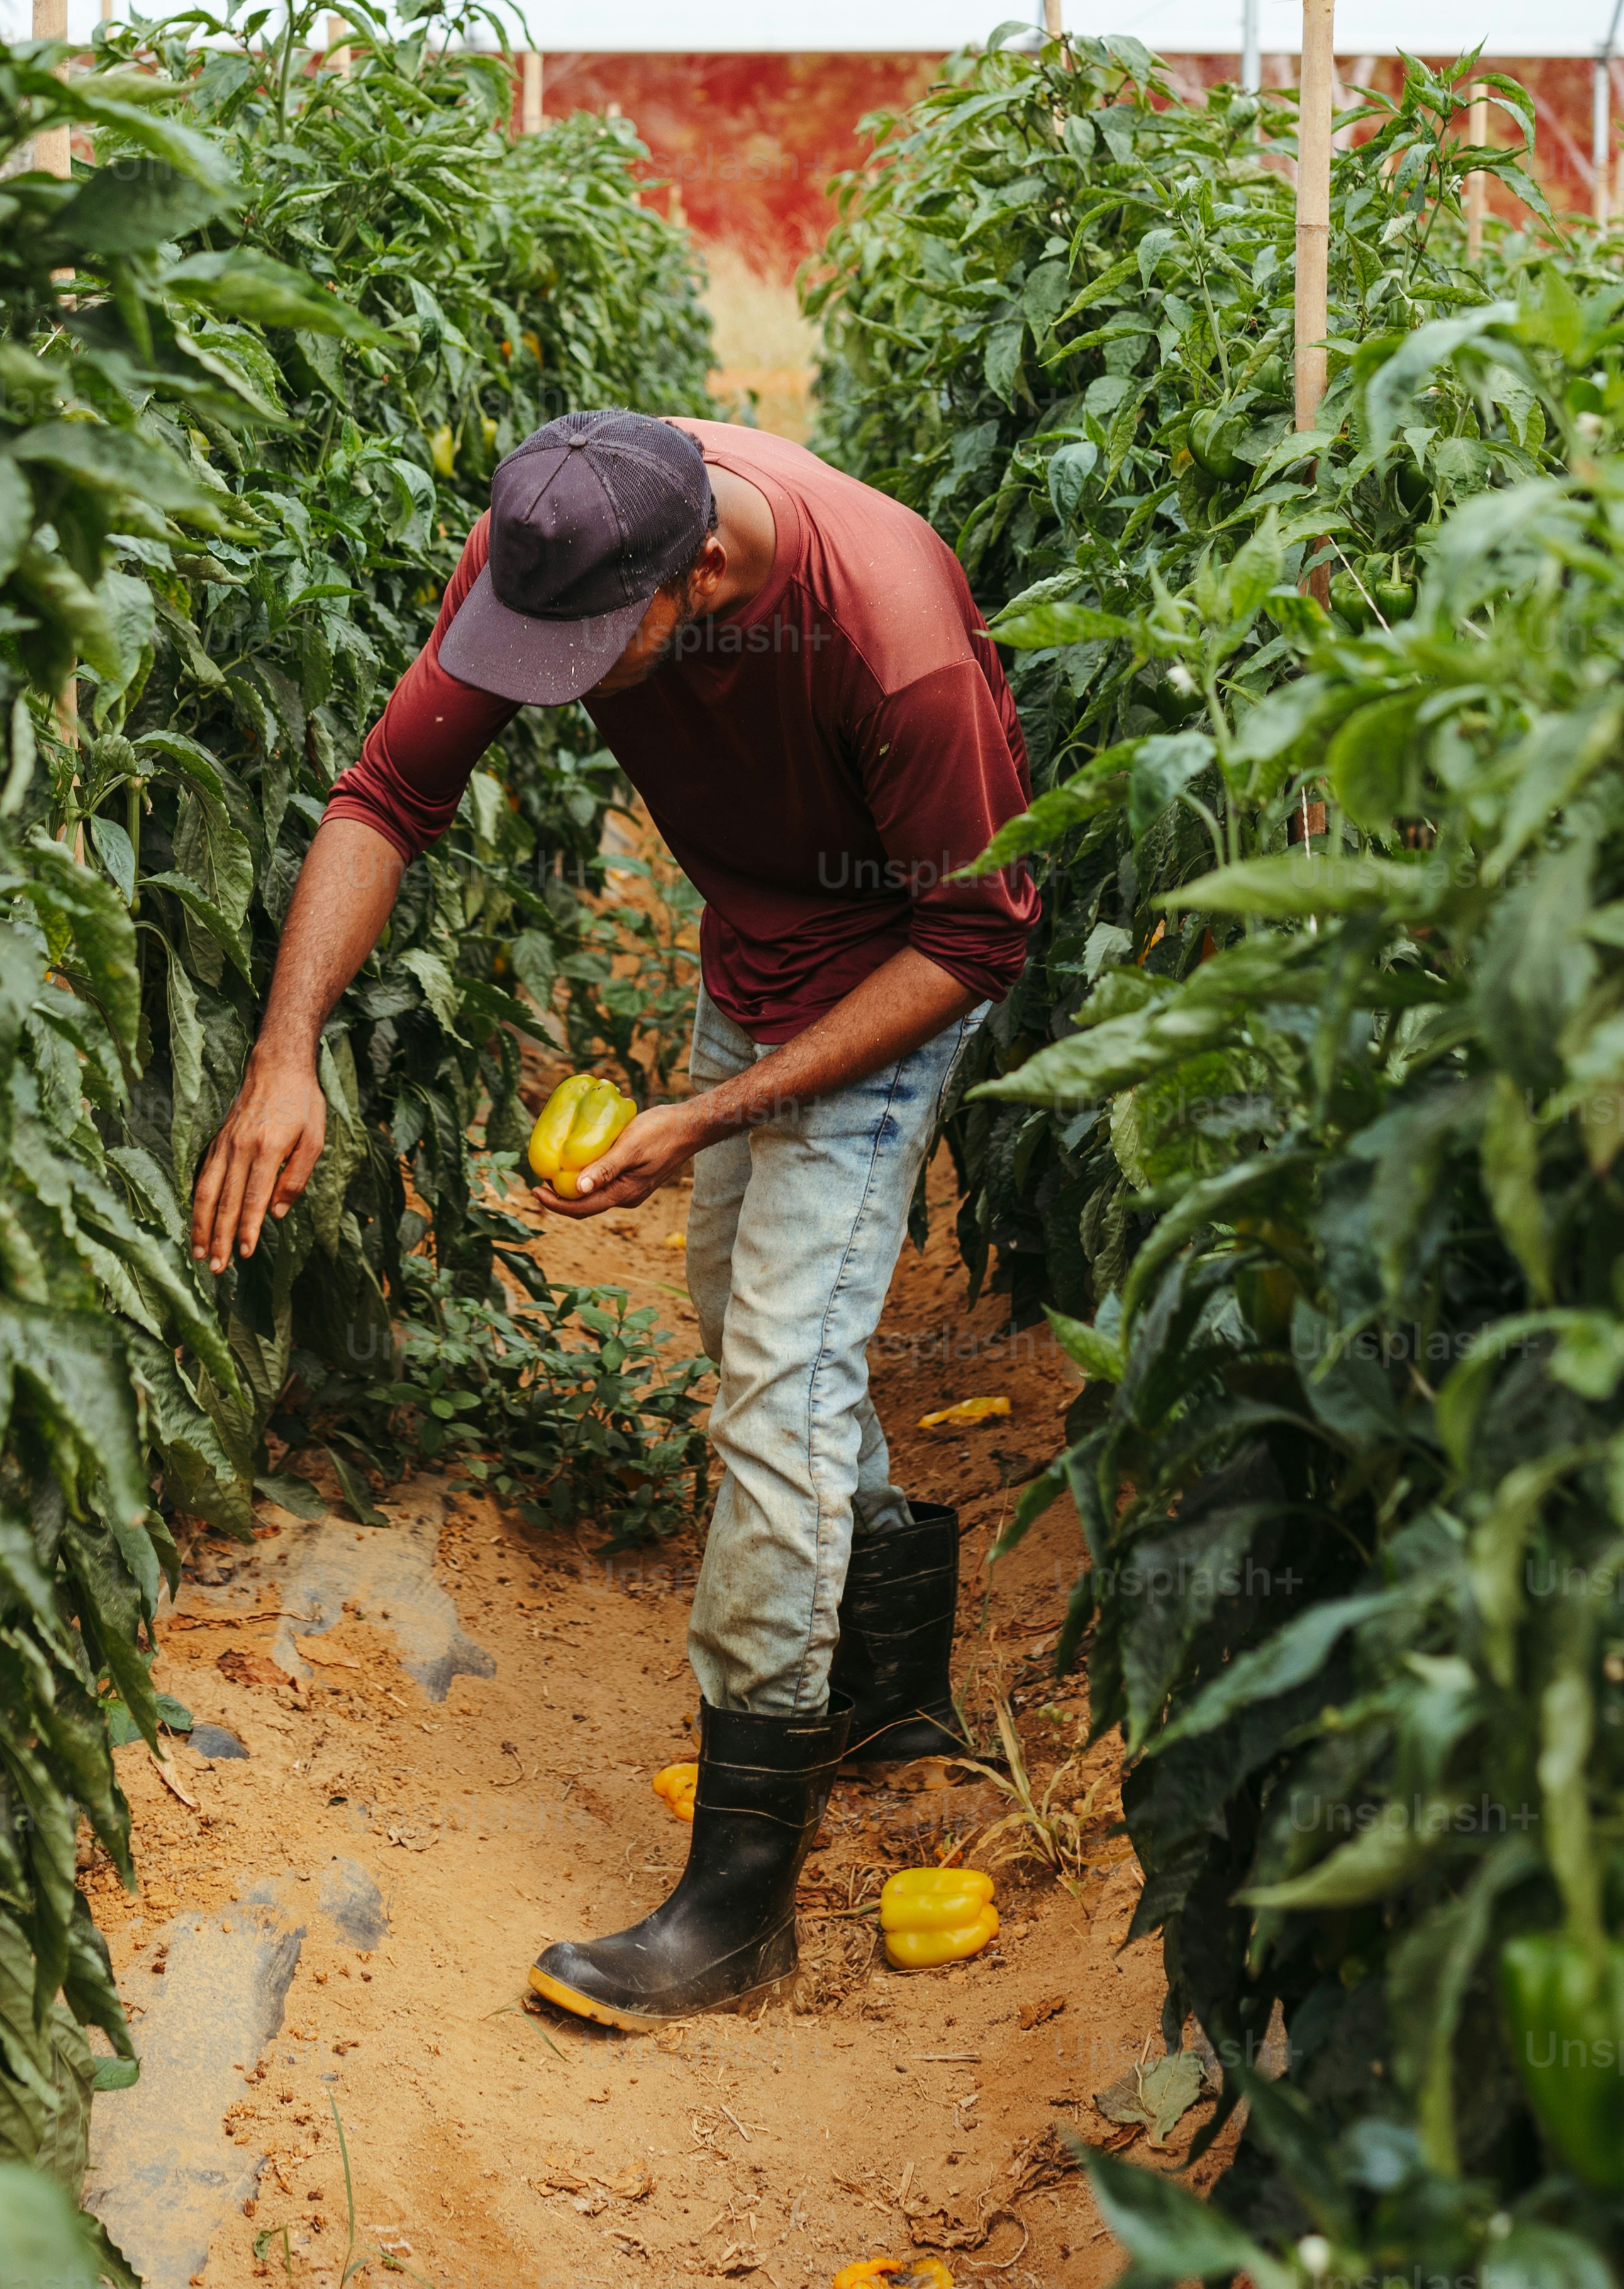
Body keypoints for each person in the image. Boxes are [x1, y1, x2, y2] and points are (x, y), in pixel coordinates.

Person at [190, 410, 1037, 2027]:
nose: (550, 673)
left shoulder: (895, 637)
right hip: (755, 951)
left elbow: (975, 936)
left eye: (592, 649)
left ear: (704, 572)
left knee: (779, 1383)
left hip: (889, 980)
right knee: (743, 1322)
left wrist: (709, 1110)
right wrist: (284, 1050)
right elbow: (387, 792)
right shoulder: (557, 541)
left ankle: (737, 1899)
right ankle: (885, 1671)